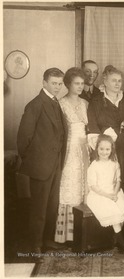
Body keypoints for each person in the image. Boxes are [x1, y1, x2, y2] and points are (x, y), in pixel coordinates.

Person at [17, 68, 66, 261]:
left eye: (60, 83)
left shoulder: (55, 103)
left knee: (51, 206)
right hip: (40, 166)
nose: (57, 87)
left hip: (56, 165)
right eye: (53, 83)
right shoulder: (35, 105)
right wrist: (35, 161)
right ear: (44, 82)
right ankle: (35, 245)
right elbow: (23, 138)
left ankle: (47, 241)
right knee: (39, 208)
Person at [87, 65, 124, 201]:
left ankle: (122, 218)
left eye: (119, 81)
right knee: (106, 181)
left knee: (122, 180)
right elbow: (93, 127)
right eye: (114, 80)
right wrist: (103, 148)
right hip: (105, 151)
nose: (117, 84)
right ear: (105, 82)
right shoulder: (95, 102)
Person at [54, 67, 90, 244]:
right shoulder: (60, 104)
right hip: (69, 150)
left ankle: (83, 234)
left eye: (82, 83)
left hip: (85, 150)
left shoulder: (85, 103)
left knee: (85, 184)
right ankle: (67, 235)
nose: (80, 87)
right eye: (76, 83)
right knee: (70, 185)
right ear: (68, 84)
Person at [87, 134, 124, 253]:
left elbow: (118, 180)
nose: (104, 152)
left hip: (113, 192)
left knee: (121, 208)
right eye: (101, 149)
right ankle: (122, 242)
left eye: (107, 149)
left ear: (112, 150)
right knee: (112, 210)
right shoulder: (94, 165)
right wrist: (108, 196)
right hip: (99, 194)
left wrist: (115, 193)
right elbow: (93, 186)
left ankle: (117, 238)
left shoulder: (114, 164)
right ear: (97, 149)